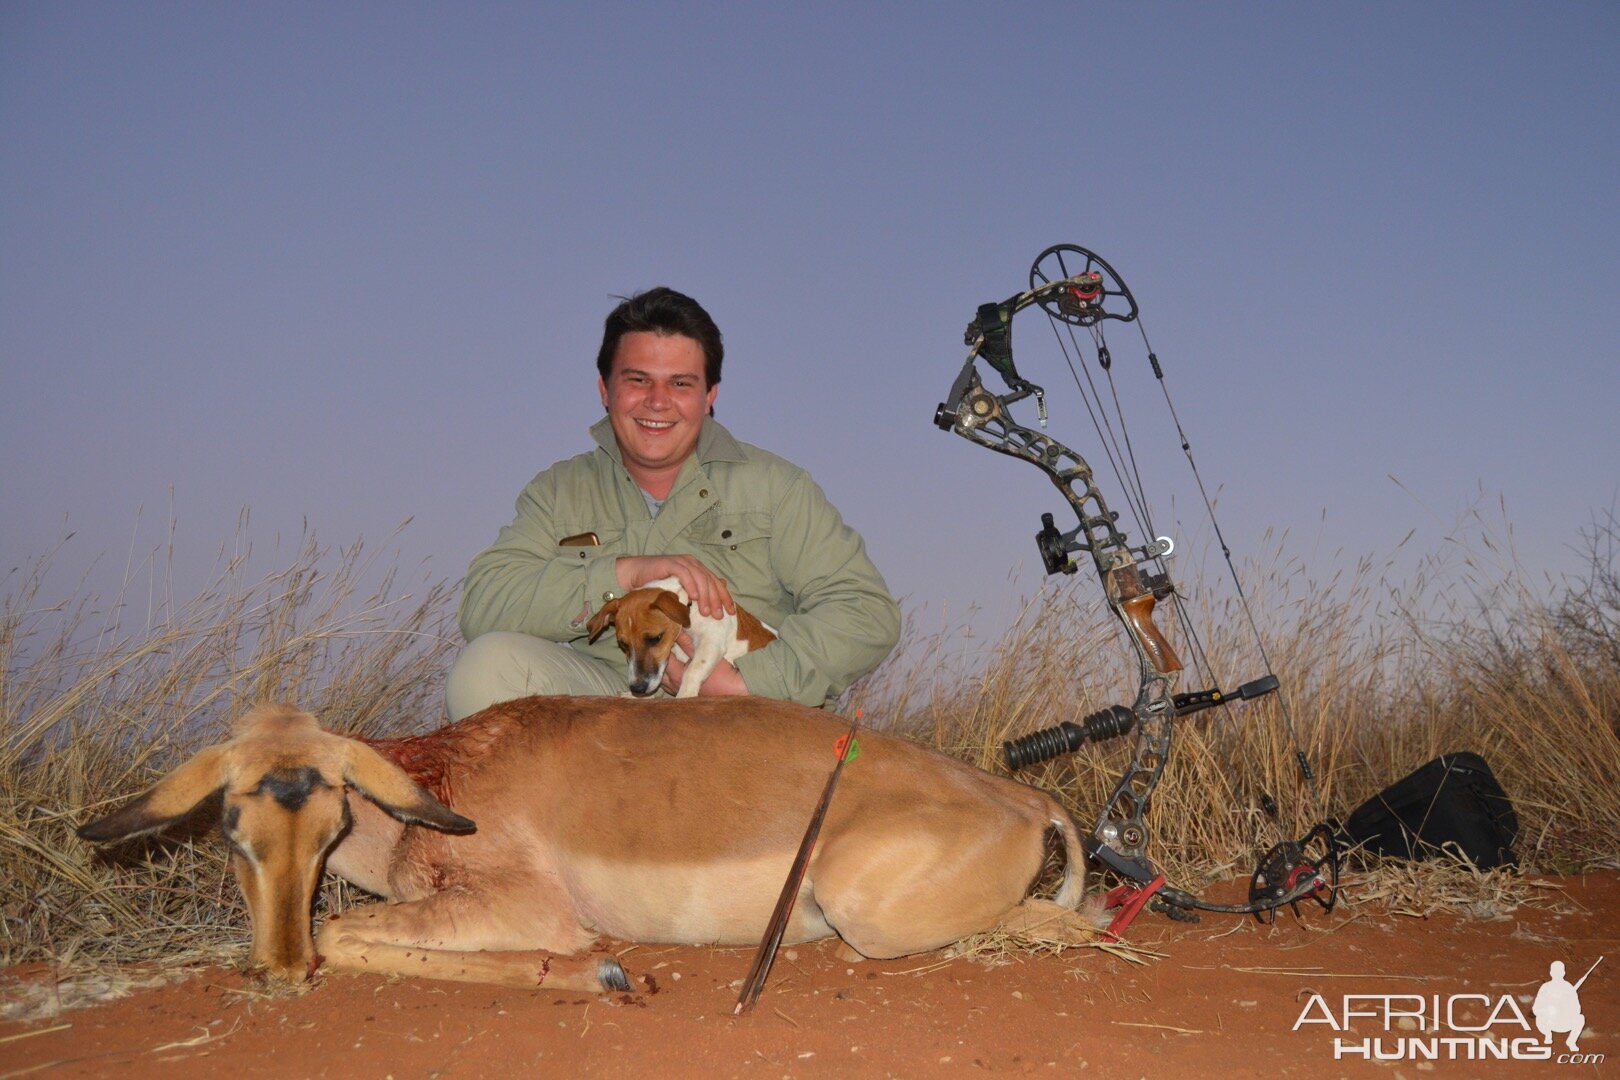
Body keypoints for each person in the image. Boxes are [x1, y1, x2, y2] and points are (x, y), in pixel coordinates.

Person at [446, 286, 900, 720]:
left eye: (681, 383)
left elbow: (866, 610)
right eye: (638, 379)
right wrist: (625, 572)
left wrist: (749, 683)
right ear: (605, 389)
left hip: (745, 715)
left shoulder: (776, 485)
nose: (658, 402)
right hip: (612, 701)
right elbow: (484, 605)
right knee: (485, 670)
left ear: (709, 397)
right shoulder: (559, 489)